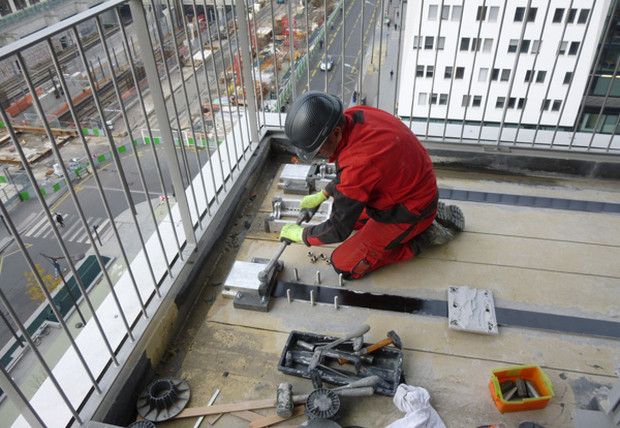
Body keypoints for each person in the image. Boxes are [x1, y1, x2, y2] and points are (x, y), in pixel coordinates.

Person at [280, 91, 464, 279]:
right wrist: (324, 194)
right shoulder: (356, 115)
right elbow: (362, 170)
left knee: (344, 265)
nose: (317, 155)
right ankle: (422, 220)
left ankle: (423, 235)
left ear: (335, 133)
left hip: (410, 209)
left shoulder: (357, 163)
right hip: (411, 188)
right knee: (354, 220)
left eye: (317, 149)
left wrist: (302, 235)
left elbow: (338, 229)